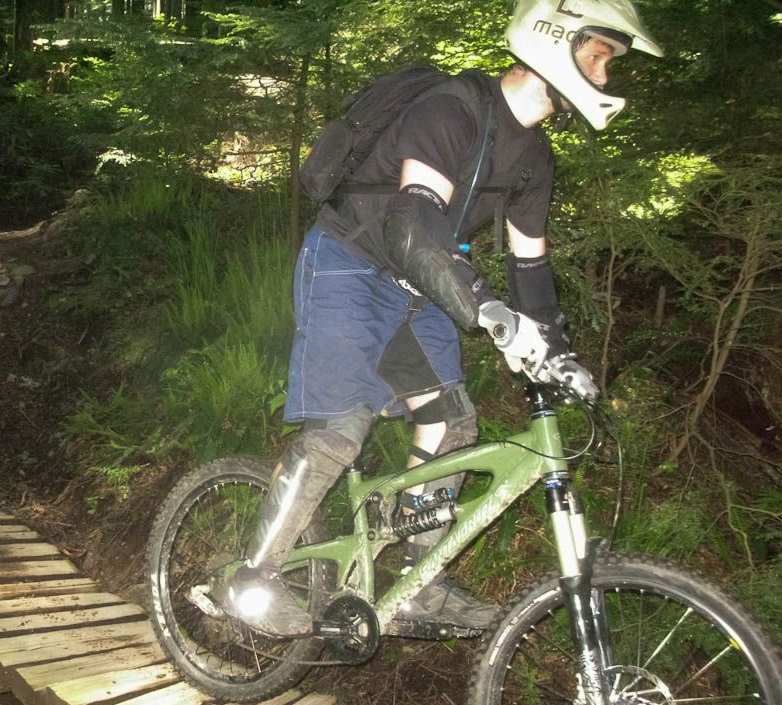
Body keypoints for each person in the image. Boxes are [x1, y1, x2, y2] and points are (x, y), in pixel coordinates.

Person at [222, 0, 663, 637]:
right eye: (597, 57)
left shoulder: (535, 157)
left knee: (452, 422)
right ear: (553, 38)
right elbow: (413, 223)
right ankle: (252, 578)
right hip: (350, 263)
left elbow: (530, 267)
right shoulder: (451, 109)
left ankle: (416, 580)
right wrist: (487, 310)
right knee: (341, 429)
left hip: (418, 285)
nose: (604, 75)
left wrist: (558, 351)